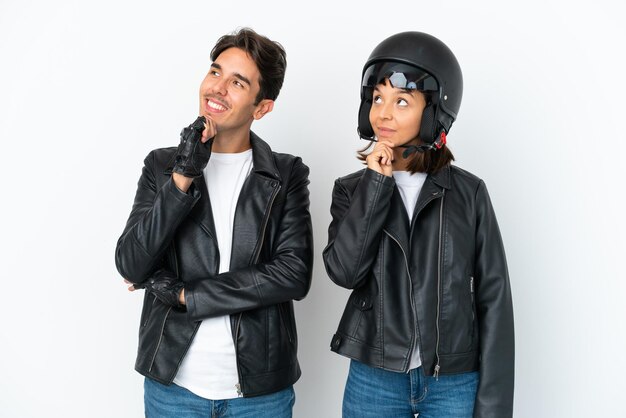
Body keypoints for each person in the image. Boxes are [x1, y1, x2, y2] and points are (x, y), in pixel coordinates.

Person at [115, 27, 313, 417]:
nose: (217, 88)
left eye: (237, 82)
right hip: (174, 387)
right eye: (215, 72)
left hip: (260, 393)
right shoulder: (162, 166)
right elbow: (131, 264)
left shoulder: (286, 174)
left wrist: (189, 296)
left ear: (262, 107)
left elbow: (293, 274)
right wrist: (182, 177)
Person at [323, 31, 514, 417]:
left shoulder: (469, 194)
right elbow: (345, 271)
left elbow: (494, 301)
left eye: (402, 101)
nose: (384, 113)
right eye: (378, 98)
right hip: (374, 379)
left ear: (433, 114)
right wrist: (376, 185)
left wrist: (494, 407)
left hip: (454, 380)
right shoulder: (350, 191)